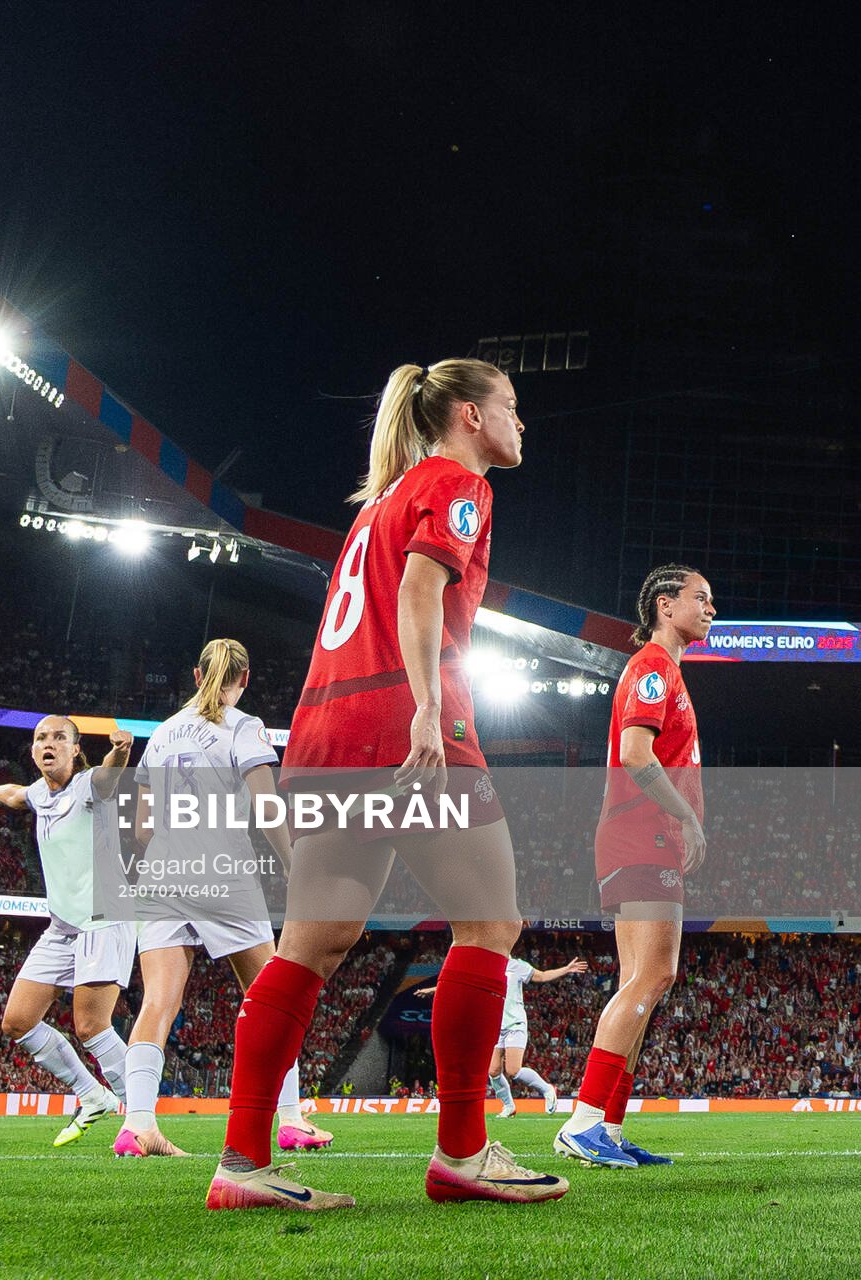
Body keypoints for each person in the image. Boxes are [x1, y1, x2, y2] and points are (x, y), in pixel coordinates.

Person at [207, 358, 568, 1211]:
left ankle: (242, 1164)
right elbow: (418, 593)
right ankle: (463, 1152)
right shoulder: (458, 484)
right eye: (512, 406)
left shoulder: (381, 501)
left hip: (325, 729)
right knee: (492, 923)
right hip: (401, 721)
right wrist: (427, 707)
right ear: (470, 415)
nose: (522, 422)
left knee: (313, 944)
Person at [110, 638, 332, 1157]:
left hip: (161, 873)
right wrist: (293, 867)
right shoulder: (243, 726)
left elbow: (141, 829)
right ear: (245, 678)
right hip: (222, 870)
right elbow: (266, 807)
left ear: (196, 674)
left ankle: (137, 1125)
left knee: (158, 1003)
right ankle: (291, 1118)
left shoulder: (161, 733)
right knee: (274, 996)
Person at [555, 565, 713, 1169]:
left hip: (641, 837)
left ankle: (610, 1127)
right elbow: (635, 753)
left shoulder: (666, 670)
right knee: (654, 976)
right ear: (665, 605)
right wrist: (686, 817)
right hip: (642, 834)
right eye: (701, 599)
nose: (711, 609)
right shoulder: (653, 666)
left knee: (640, 980)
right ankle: (583, 1122)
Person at [0, 716, 137, 1147]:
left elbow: (109, 774)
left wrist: (120, 750)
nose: (50, 743)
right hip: (62, 924)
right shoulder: (40, 794)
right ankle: (92, 1095)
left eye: (60, 737)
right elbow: (15, 794)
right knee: (18, 1021)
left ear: (76, 749)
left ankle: (141, 1116)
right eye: (42, 737)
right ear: (32, 750)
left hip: (103, 917)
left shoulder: (88, 786)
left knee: (91, 1025)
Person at [416, 954, 586, 1116]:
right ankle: (509, 1106)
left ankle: (547, 1089)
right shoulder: (488, 968)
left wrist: (566, 969)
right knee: (493, 1071)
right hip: (496, 1026)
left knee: (513, 1070)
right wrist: (433, 990)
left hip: (515, 1024)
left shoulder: (517, 966)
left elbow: (541, 976)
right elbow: (464, 987)